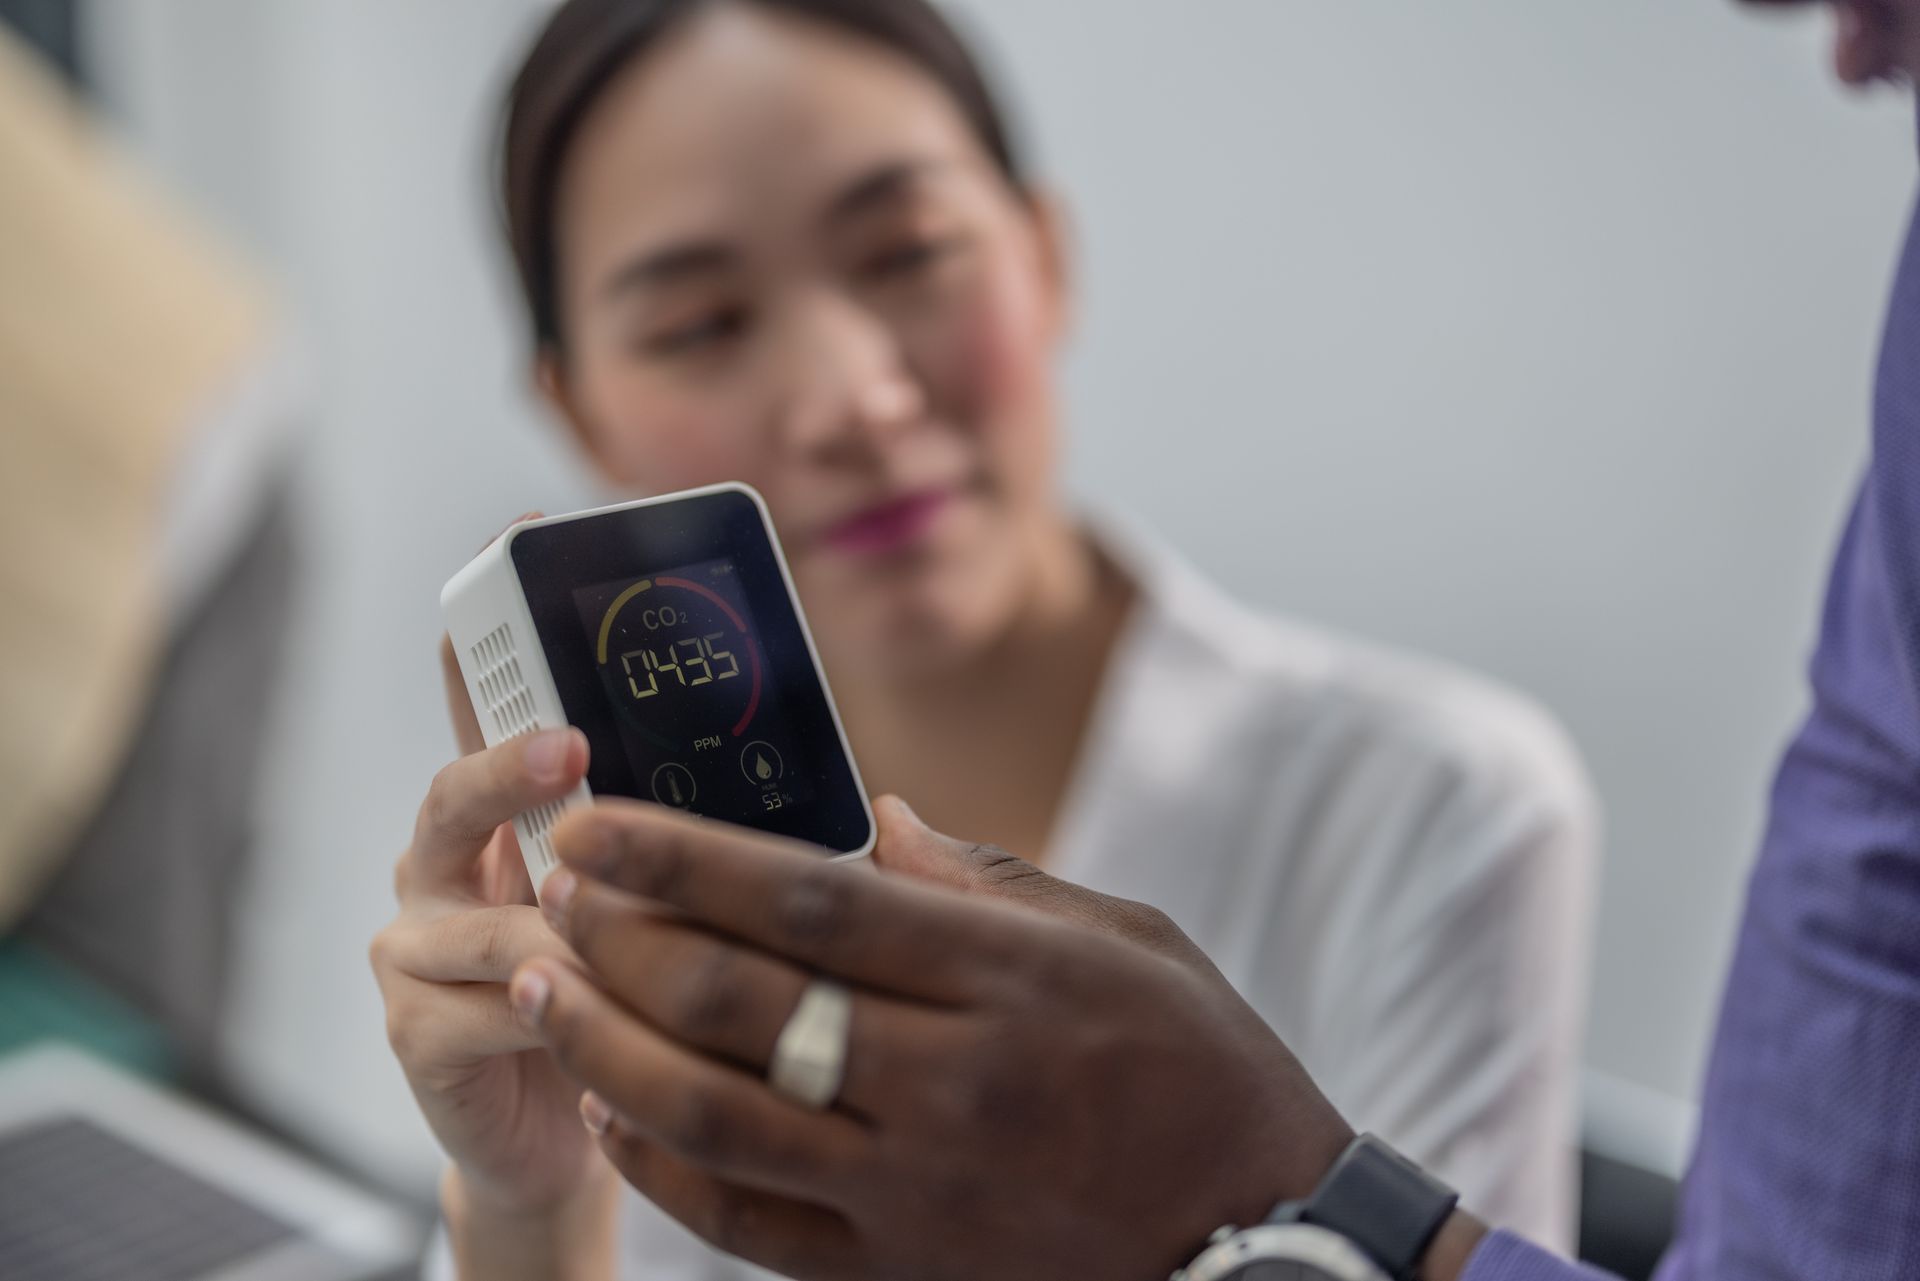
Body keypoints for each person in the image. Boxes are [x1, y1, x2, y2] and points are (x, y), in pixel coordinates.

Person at [483, 1, 1920, 1279]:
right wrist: (528, 1210)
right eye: (701, 325)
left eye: (910, 252)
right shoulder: (605, 869)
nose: (851, 398)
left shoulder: (1427, 802)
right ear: (575, 407)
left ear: (1048, 257)